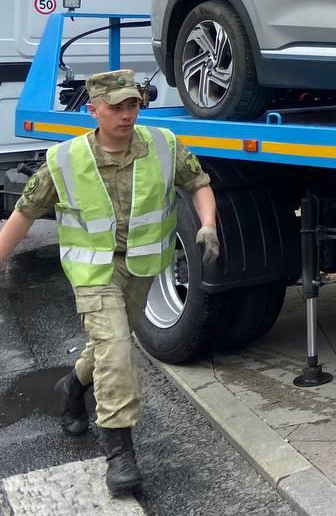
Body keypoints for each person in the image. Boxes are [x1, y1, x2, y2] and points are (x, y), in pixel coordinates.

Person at [0, 70, 220, 497]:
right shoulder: (64, 160)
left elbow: (199, 183)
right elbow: (22, 215)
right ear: (93, 110)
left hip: (141, 268)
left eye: (132, 105)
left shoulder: (162, 145)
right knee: (117, 353)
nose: (125, 114)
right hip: (94, 272)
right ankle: (120, 452)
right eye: (115, 107)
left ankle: (72, 386)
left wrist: (208, 223)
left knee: (106, 346)